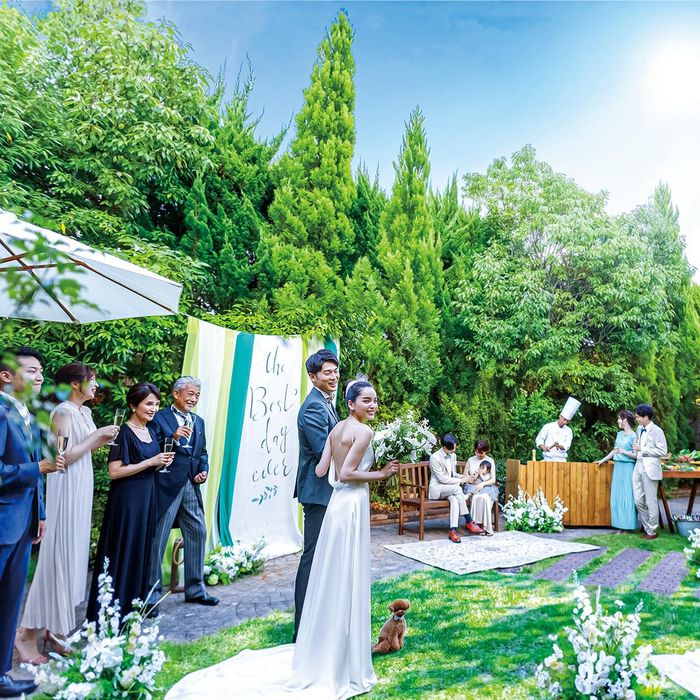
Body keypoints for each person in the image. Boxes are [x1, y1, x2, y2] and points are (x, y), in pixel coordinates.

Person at [164, 380, 399, 700]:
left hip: (336, 507)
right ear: (351, 404)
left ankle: (326, 645)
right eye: (367, 400)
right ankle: (343, 651)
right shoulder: (364, 432)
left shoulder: (335, 429)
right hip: (352, 504)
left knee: (332, 573)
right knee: (346, 574)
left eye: (375, 400)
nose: (373, 405)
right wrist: (382, 474)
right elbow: (346, 474)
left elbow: (321, 471)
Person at [17, 363, 118, 663]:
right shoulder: (62, 412)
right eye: (92, 379)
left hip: (82, 485)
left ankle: (56, 630)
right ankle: (26, 632)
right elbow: (60, 458)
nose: (96, 385)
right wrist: (97, 437)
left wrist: (99, 439)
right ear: (75, 384)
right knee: (57, 557)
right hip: (65, 487)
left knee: (73, 557)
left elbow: (84, 450)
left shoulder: (84, 412)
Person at [0, 348, 63, 698]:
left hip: (23, 524)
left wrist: (40, 514)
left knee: (10, 603)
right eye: (31, 370)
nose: (39, 377)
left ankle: (1, 675)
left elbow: (36, 473)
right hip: (2, 523)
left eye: (41, 371)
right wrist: (38, 467)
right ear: (6, 376)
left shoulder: (27, 413)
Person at [86, 383, 174, 622]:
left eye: (157, 404)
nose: (154, 408)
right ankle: (110, 610)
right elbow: (114, 472)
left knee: (140, 550)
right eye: (149, 403)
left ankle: (131, 608)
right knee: (122, 550)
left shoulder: (151, 431)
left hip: (147, 498)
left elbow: (149, 464)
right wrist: (150, 462)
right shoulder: (122, 432)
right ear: (134, 405)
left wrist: (160, 463)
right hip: (127, 502)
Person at [147, 376, 217, 608]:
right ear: (176, 394)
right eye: (190, 394)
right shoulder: (159, 418)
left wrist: (203, 470)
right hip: (166, 485)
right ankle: (151, 595)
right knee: (158, 538)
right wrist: (173, 437)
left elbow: (202, 453)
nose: (194, 399)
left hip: (190, 485)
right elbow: (149, 447)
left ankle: (196, 589)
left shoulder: (198, 421)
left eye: (197, 395)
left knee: (198, 531)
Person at [292, 349, 339, 641]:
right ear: (313, 377)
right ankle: (302, 629)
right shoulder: (313, 407)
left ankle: (319, 622)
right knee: (312, 556)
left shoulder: (325, 403)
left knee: (324, 555)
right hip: (317, 490)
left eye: (335, 371)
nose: (333, 377)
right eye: (327, 372)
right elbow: (325, 450)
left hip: (328, 488)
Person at [429, 434, 488, 542]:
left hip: (449, 489)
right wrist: (462, 481)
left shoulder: (453, 456)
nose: (454, 451)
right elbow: (442, 479)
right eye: (453, 449)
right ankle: (469, 521)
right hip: (437, 488)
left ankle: (452, 531)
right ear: (445, 447)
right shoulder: (434, 458)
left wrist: (467, 478)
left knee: (455, 500)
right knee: (457, 489)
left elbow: (453, 474)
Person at [595, 409, 638, 531]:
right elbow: (614, 451)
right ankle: (619, 526)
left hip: (628, 468)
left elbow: (636, 455)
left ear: (625, 420)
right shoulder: (619, 434)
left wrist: (623, 451)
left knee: (627, 496)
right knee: (617, 496)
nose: (618, 421)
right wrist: (602, 460)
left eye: (619, 418)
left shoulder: (634, 436)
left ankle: (628, 526)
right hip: (618, 467)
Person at [632, 403, 667, 540]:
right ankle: (648, 527)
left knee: (650, 501)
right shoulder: (639, 428)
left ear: (646, 417)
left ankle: (651, 531)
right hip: (638, 465)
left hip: (650, 467)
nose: (636, 419)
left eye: (638, 417)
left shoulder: (657, 431)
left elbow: (663, 451)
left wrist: (643, 450)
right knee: (637, 500)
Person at [535, 397, 580, 462]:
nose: (565, 422)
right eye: (564, 419)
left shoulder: (569, 431)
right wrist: (543, 446)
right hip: (548, 459)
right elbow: (539, 439)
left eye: (567, 421)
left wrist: (562, 447)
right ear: (560, 416)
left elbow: (567, 444)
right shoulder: (548, 426)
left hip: (561, 460)